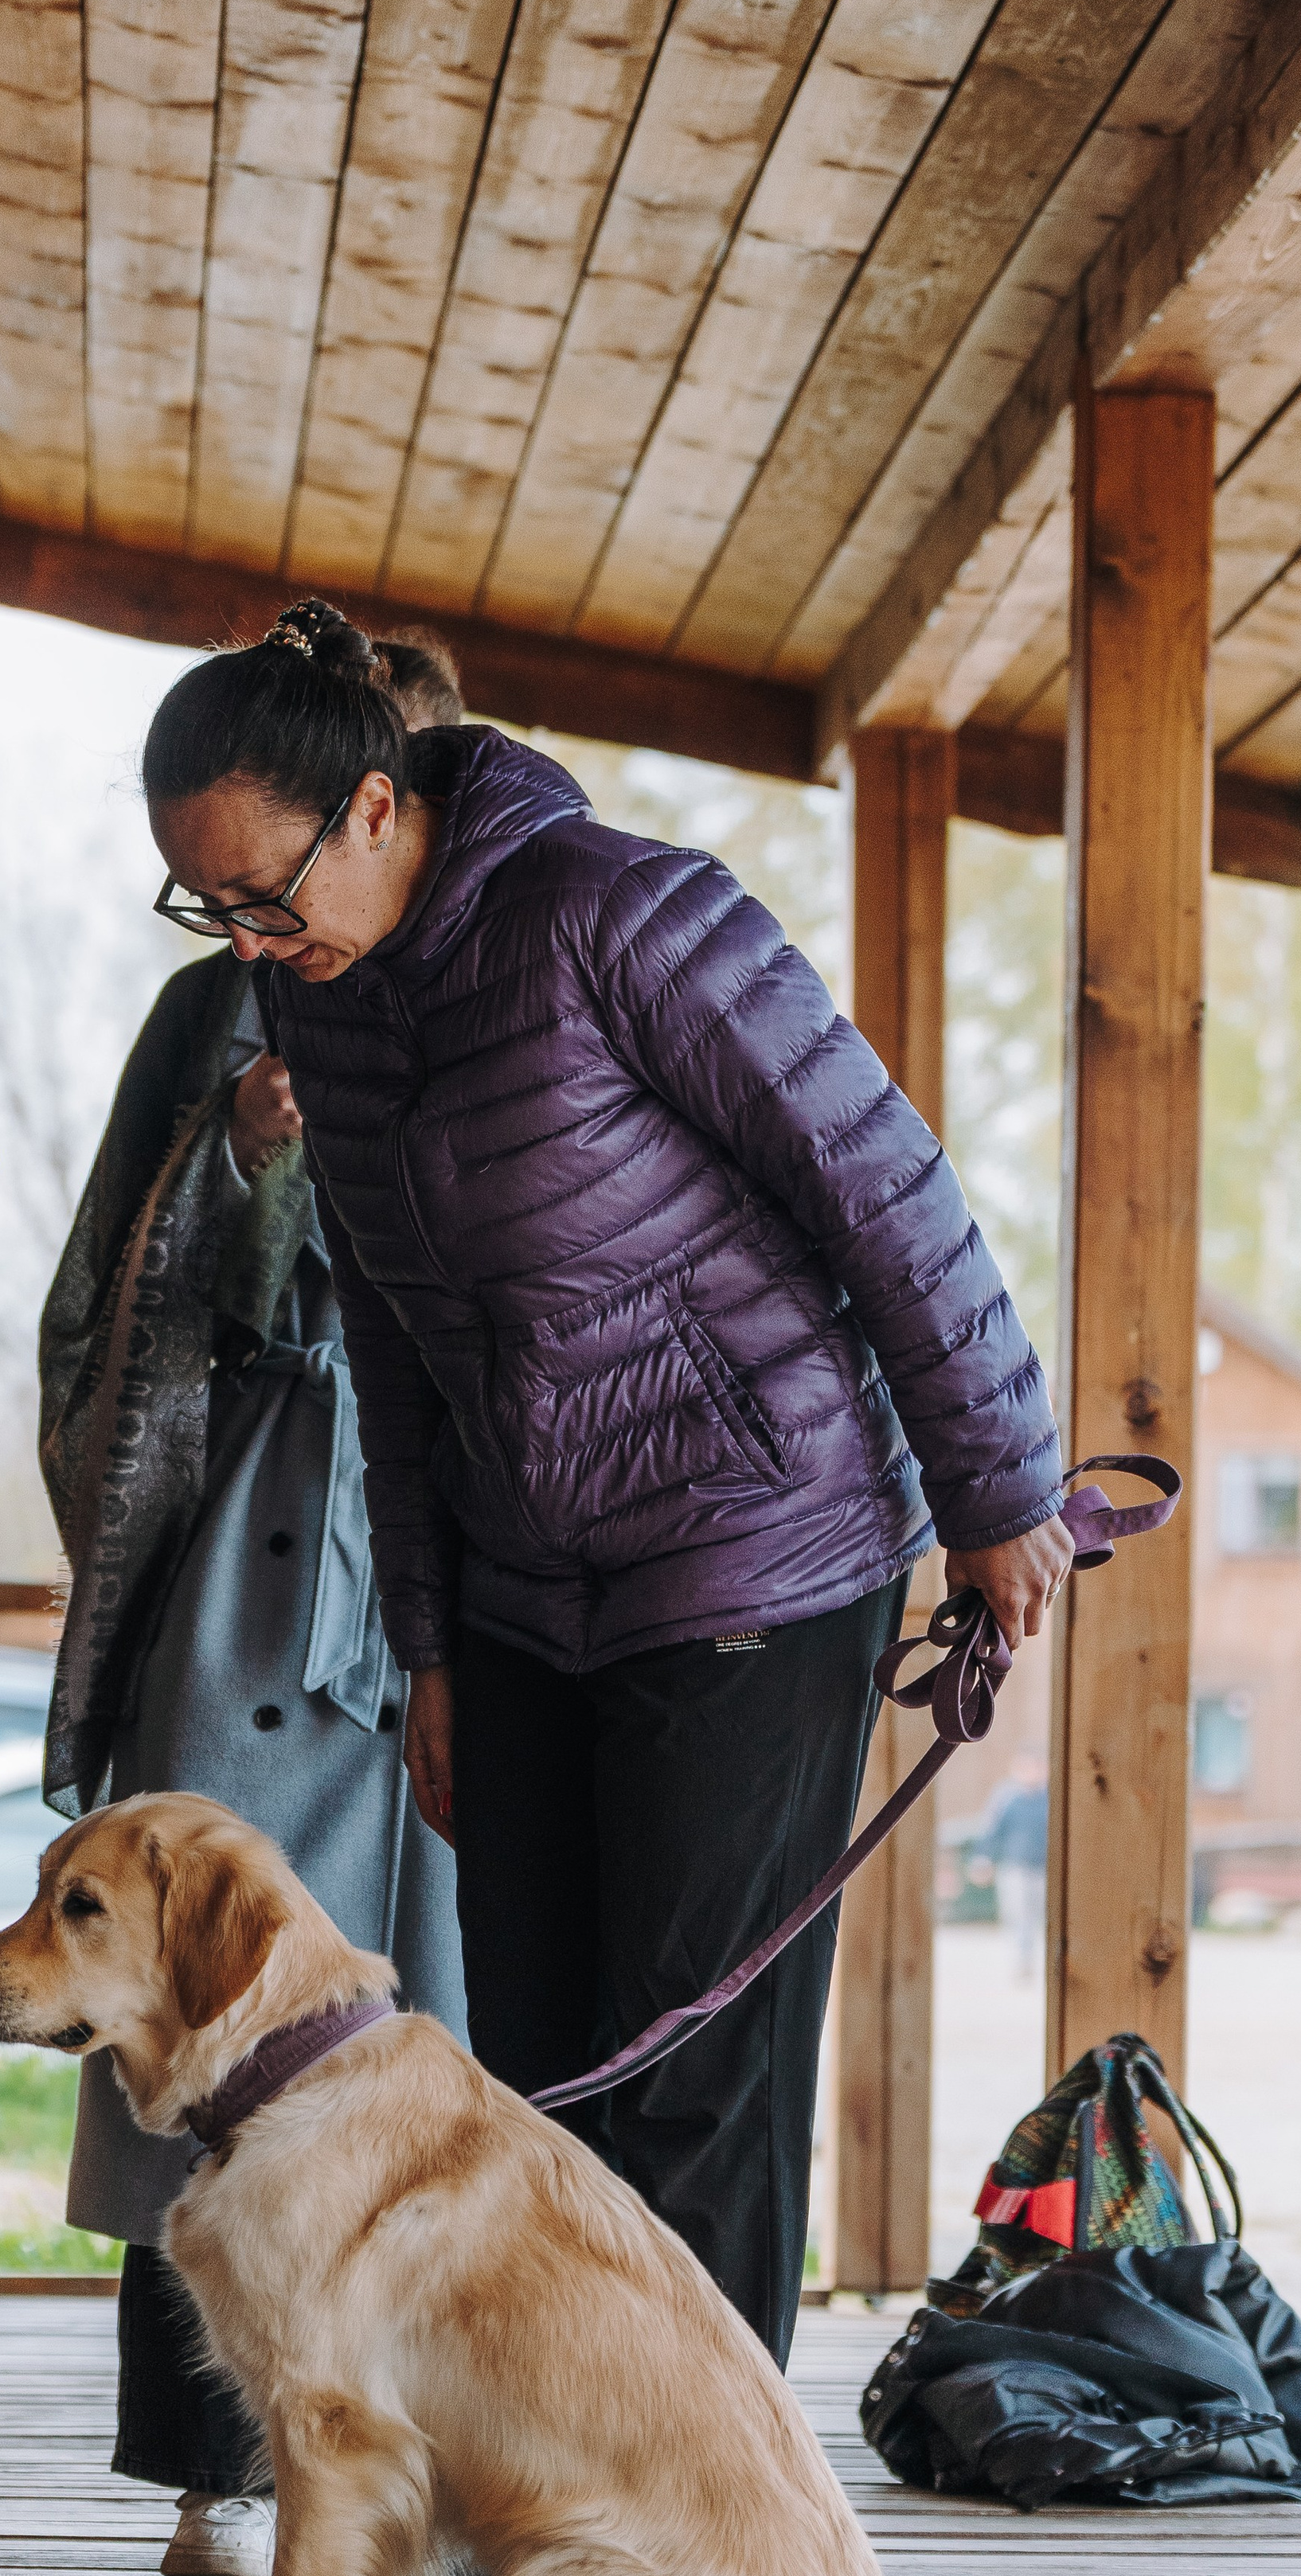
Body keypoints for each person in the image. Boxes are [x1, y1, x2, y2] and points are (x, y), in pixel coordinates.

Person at [136, 597, 1076, 2373]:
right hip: (520, 1589)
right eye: (210, 908)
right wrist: (429, 1650)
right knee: (535, 2085)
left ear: (374, 808)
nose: (250, 939)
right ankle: (556, 2501)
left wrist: (995, 1482)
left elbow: (880, 1182)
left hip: (753, 1551)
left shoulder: (621, 913)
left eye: (265, 892)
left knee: (689, 2087)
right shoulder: (314, 1005)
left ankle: (710, 2528)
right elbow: (396, 1351)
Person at [37, 626, 469, 2576]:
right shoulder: (210, 1005)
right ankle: (206, 2464)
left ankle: (406, 2457)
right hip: (252, 1523)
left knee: (416, 1983)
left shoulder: (479, 970)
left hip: (427, 1536)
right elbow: (126, 1277)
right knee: (190, 1970)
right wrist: (244, 1152)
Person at [985, 1753, 1049, 1977]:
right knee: (1019, 1916)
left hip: (1043, 1868)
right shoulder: (1008, 1798)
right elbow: (993, 1830)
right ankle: (1022, 1961)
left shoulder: (1049, 1798)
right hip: (1015, 1868)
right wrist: (984, 1858)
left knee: (1041, 1916)